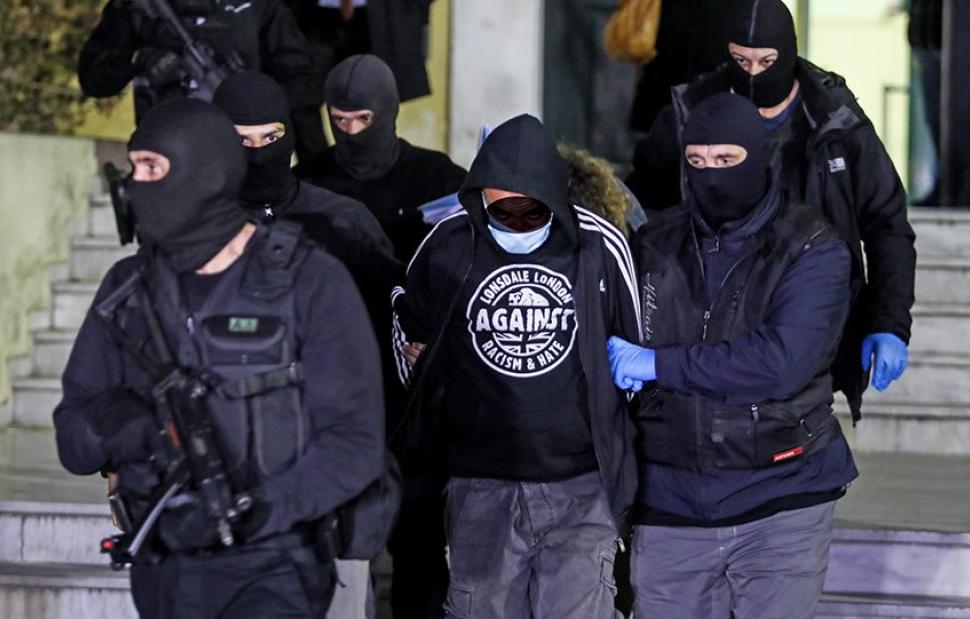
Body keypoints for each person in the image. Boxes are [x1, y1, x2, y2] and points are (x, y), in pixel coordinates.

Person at [52, 99, 384, 618]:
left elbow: (356, 444)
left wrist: (260, 510)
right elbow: (72, 438)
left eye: (152, 168)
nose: (136, 185)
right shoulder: (127, 289)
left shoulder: (310, 280)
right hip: (164, 567)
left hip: (275, 567)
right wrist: (115, 425)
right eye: (134, 168)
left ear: (203, 173)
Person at [610, 92, 856, 619]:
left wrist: (658, 365)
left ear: (758, 156)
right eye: (696, 161)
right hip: (669, 498)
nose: (711, 175)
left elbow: (781, 362)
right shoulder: (654, 244)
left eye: (726, 159)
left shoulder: (810, 246)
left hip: (780, 493)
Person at [392, 114, 641, 618]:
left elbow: (632, 344)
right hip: (480, 481)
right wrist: (418, 365)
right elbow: (407, 321)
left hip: (581, 481)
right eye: (501, 209)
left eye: (531, 210)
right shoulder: (449, 241)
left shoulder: (598, 243)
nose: (516, 222)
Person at [625, 0, 916, 423]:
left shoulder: (836, 121)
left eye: (766, 61)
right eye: (741, 60)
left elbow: (886, 223)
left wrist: (888, 322)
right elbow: (640, 209)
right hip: (708, 308)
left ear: (789, 54)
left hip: (812, 303)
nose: (753, 74)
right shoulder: (688, 115)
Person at [78, 0, 327, 161]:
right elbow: (92, 79)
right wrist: (137, 59)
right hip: (164, 161)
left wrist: (256, 110)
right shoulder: (136, 8)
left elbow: (301, 82)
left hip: (242, 163)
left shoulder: (258, 7)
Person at [295, 54, 466, 264]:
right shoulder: (306, 182)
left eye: (364, 118)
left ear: (388, 111)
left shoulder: (438, 178)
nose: (352, 131)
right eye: (340, 119)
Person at [282, 0, 433, 103]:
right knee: (302, 101)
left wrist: (415, 13)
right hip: (311, 20)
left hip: (377, 22)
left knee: (372, 106)